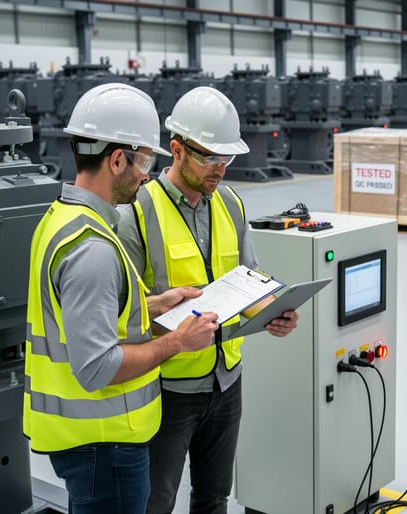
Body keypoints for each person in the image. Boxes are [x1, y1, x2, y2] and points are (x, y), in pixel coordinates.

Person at [23, 83, 221, 514]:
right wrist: (177, 342)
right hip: (104, 445)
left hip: (91, 444)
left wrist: (154, 304)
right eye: (144, 160)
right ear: (117, 159)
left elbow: (81, 317)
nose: (146, 173)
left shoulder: (61, 218)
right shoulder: (92, 247)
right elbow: (97, 367)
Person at [116, 86, 299, 514]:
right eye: (209, 158)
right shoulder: (137, 210)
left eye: (227, 158)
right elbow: (124, 310)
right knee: (154, 502)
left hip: (226, 380)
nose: (220, 169)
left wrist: (273, 313)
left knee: (214, 498)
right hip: (168, 387)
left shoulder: (232, 205)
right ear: (176, 150)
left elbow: (252, 280)